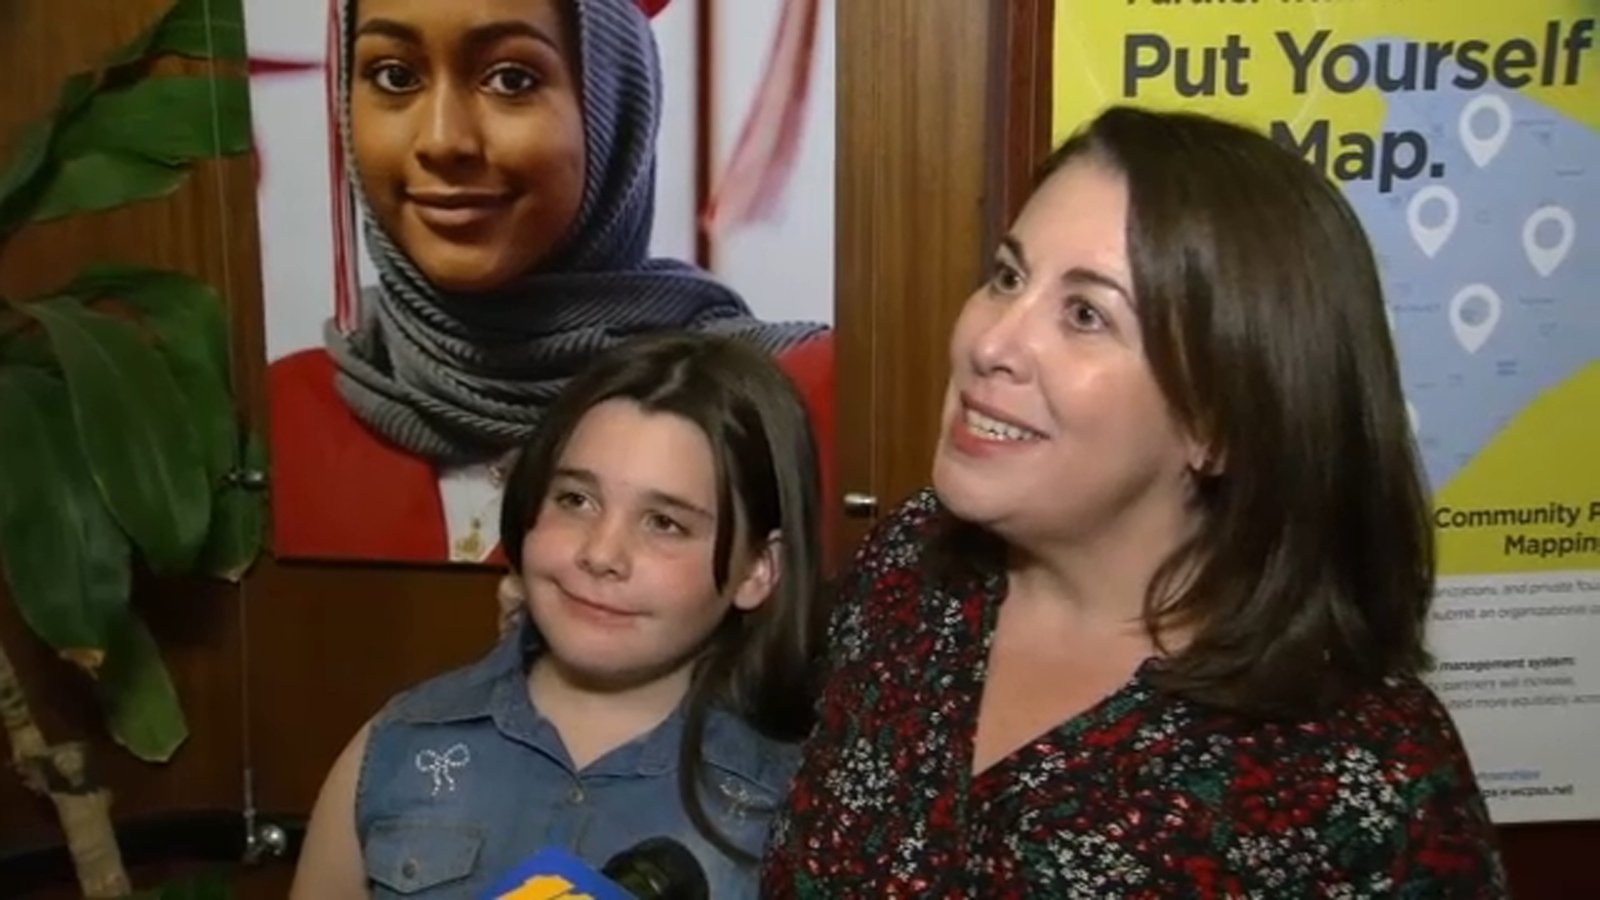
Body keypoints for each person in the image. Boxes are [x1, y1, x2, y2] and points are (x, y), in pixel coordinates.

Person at [761, 105, 1508, 896]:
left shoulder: (1371, 786)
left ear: (1220, 419)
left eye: (1086, 314)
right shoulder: (910, 572)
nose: (990, 342)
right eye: (1008, 277)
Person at [267, 0, 833, 564]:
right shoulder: (276, 423)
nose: (441, 140)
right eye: (395, 76)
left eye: (511, 80)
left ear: (616, 105)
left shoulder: (782, 413)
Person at [290, 332, 825, 898]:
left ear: (756, 570)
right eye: (576, 500)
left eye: (664, 523)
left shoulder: (799, 803)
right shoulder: (399, 746)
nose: (600, 553)